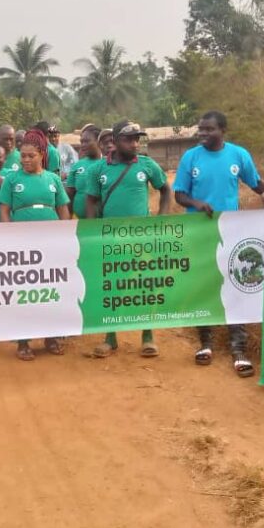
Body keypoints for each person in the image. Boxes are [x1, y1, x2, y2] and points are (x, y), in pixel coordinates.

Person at [174, 111, 264, 377]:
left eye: (209, 130)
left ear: (223, 131)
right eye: (201, 130)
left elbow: (256, 184)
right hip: (199, 233)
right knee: (203, 285)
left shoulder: (239, 155)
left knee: (235, 285)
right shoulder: (190, 157)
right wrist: (196, 203)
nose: (203, 134)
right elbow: (179, 194)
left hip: (233, 231)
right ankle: (205, 344)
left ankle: (238, 349)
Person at [85, 120, 171, 359]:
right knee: (112, 286)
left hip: (141, 238)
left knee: (144, 286)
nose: (134, 143)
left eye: (137, 139)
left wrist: (162, 219)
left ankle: (147, 336)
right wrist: (93, 230)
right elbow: (91, 200)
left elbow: (165, 189)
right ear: (115, 140)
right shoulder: (98, 170)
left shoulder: (147, 164)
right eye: (128, 139)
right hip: (110, 238)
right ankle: (110, 338)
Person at [0, 128, 71, 361]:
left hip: (50, 243)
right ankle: (23, 341)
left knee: (50, 291)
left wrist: (65, 236)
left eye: (31, 156)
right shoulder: (12, 179)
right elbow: (4, 211)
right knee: (25, 292)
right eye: (23, 156)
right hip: (22, 245)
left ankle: (51, 337)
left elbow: (63, 210)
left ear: (41, 154)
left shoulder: (52, 179)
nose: (26, 160)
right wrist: (10, 238)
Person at [65, 125, 103, 218]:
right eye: (81, 142)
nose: (83, 145)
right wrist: (68, 218)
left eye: (87, 141)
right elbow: (70, 194)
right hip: (78, 221)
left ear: (99, 141)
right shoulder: (78, 165)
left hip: (104, 222)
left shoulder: (107, 164)